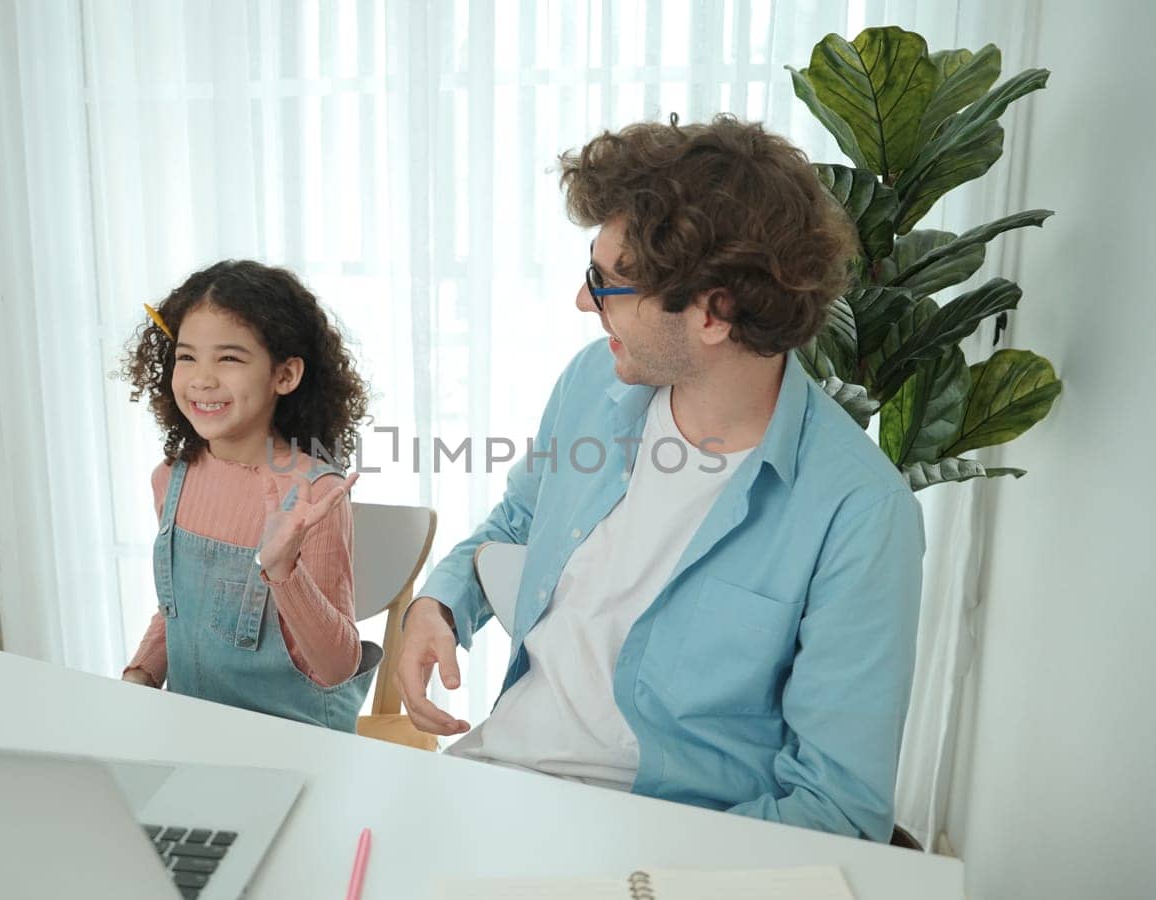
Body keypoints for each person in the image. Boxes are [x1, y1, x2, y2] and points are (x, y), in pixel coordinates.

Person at [395, 115, 925, 840]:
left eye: (607, 284)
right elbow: (519, 522)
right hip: (498, 782)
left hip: (668, 842)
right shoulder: (591, 383)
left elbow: (837, 809)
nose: (584, 302)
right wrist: (442, 605)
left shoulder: (859, 512)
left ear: (714, 313)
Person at [119, 259, 380, 732]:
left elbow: (338, 666)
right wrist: (140, 675)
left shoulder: (312, 494)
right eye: (187, 356)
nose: (201, 378)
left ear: (285, 375)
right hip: (196, 733)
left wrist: (284, 571)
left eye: (230, 358)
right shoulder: (171, 478)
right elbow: (177, 609)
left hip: (293, 742)